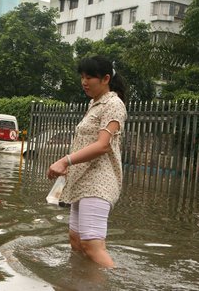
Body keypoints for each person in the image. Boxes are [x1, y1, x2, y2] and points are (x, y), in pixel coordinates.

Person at [47, 55, 127, 268]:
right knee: (76, 241)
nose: (84, 81)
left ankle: (116, 283)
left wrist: (65, 161)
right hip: (81, 179)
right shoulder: (94, 104)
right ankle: (82, 282)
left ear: (105, 79)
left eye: (90, 77)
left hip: (99, 181)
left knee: (92, 245)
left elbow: (103, 145)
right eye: (82, 76)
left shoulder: (114, 104)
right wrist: (69, 167)